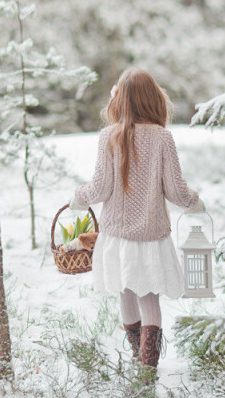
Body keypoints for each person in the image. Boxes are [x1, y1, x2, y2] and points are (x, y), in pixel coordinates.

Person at [69, 68, 205, 377]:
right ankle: (148, 369)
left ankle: (138, 360)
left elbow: (99, 188)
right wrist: (194, 203)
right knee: (149, 297)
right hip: (151, 235)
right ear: (154, 100)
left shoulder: (109, 136)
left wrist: (78, 198)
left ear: (121, 101)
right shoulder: (162, 138)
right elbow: (175, 190)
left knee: (126, 292)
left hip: (117, 237)